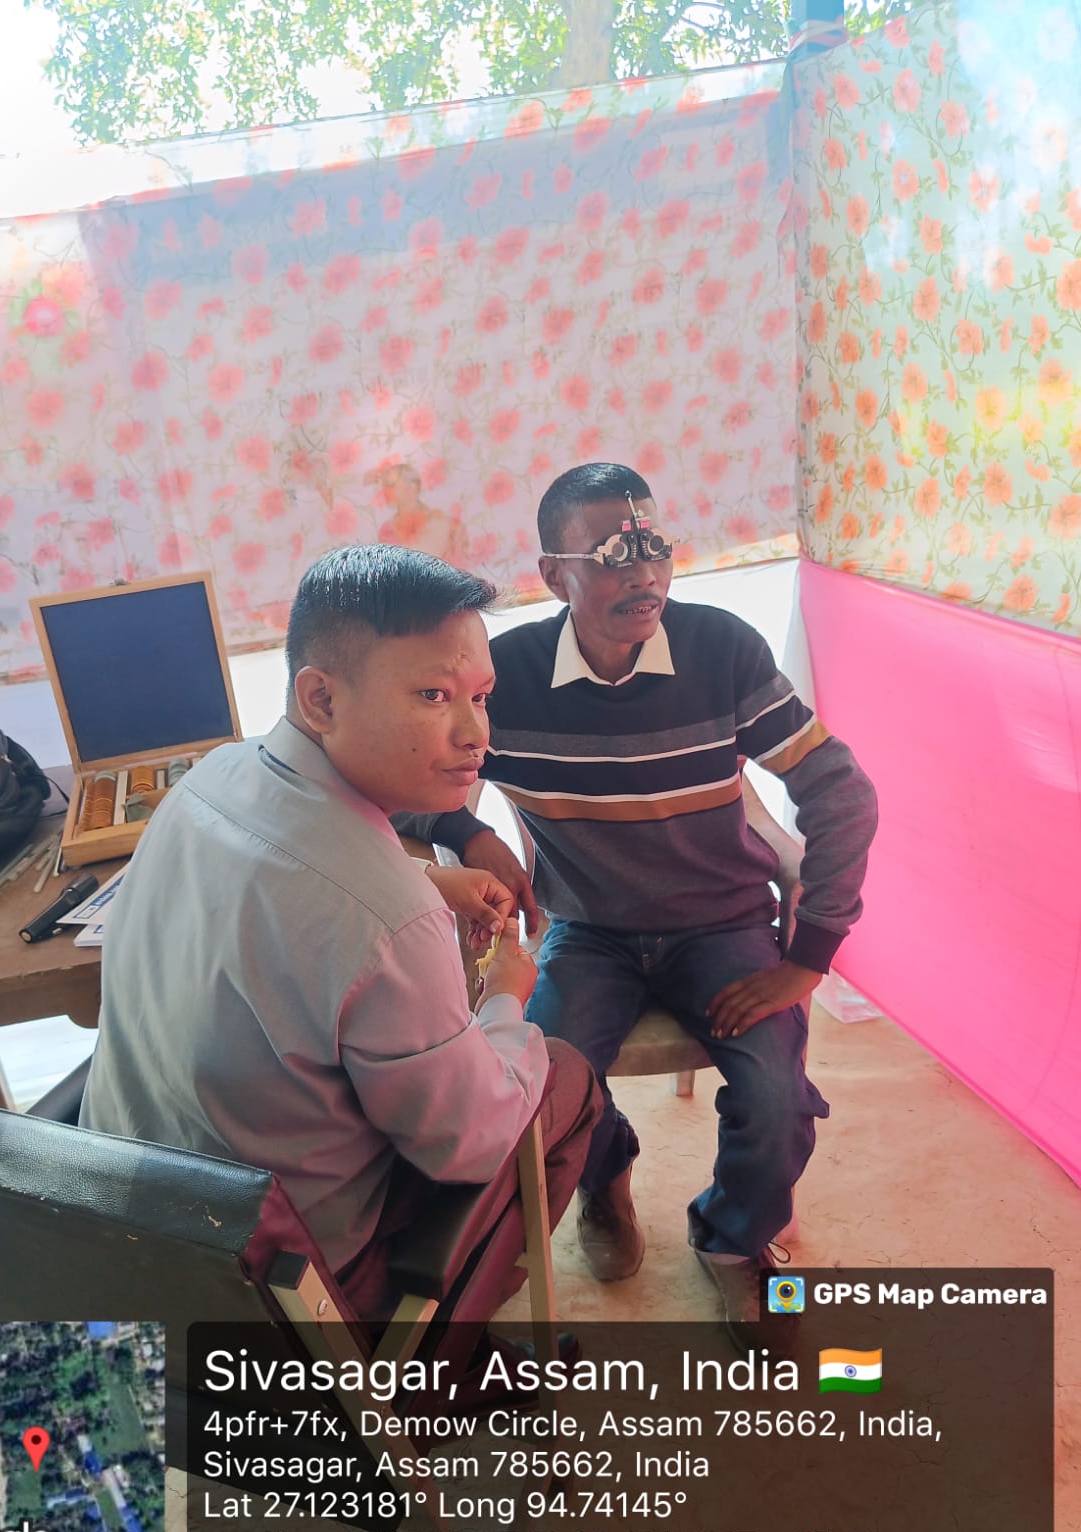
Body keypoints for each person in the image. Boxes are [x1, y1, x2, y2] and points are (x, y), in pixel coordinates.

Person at [400, 462, 878, 1337]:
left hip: (723, 923)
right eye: (615, 554)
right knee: (539, 1087)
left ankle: (733, 1239)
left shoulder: (721, 651)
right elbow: (404, 781)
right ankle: (606, 1173)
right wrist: (469, 833)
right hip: (590, 932)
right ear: (554, 575)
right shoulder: (504, 679)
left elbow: (840, 790)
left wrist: (808, 960)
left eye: (655, 545)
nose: (645, 572)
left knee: (777, 1097)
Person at [80, 545, 601, 1323]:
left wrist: (427, 881)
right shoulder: (392, 919)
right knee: (561, 1078)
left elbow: (284, 882)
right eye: (433, 695)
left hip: (128, 1221)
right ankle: (428, 1364)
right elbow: (473, 1143)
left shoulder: (210, 779)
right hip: (283, 1288)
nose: (475, 734)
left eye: (481, 696)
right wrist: (503, 996)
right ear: (321, 698)